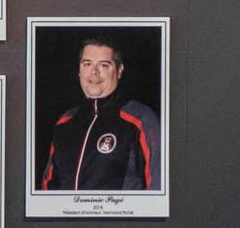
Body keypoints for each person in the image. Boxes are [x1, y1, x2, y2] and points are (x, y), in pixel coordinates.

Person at [39, 36, 160, 192]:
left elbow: (158, 185)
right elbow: (47, 189)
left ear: (119, 70)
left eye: (104, 65)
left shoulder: (140, 119)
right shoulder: (65, 122)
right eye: (87, 64)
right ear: (79, 70)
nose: (93, 72)